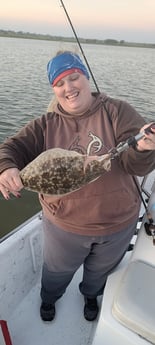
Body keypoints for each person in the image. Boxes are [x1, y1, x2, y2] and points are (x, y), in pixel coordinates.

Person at [0, 51, 155, 323]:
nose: (68, 87)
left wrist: (143, 147)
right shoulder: (45, 125)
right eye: (60, 83)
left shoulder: (116, 111)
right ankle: (49, 298)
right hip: (65, 227)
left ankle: (90, 295)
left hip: (117, 225)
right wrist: (7, 168)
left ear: (85, 76)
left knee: (99, 273)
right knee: (56, 272)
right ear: (53, 89)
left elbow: (136, 166)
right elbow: (10, 148)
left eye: (74, 78)